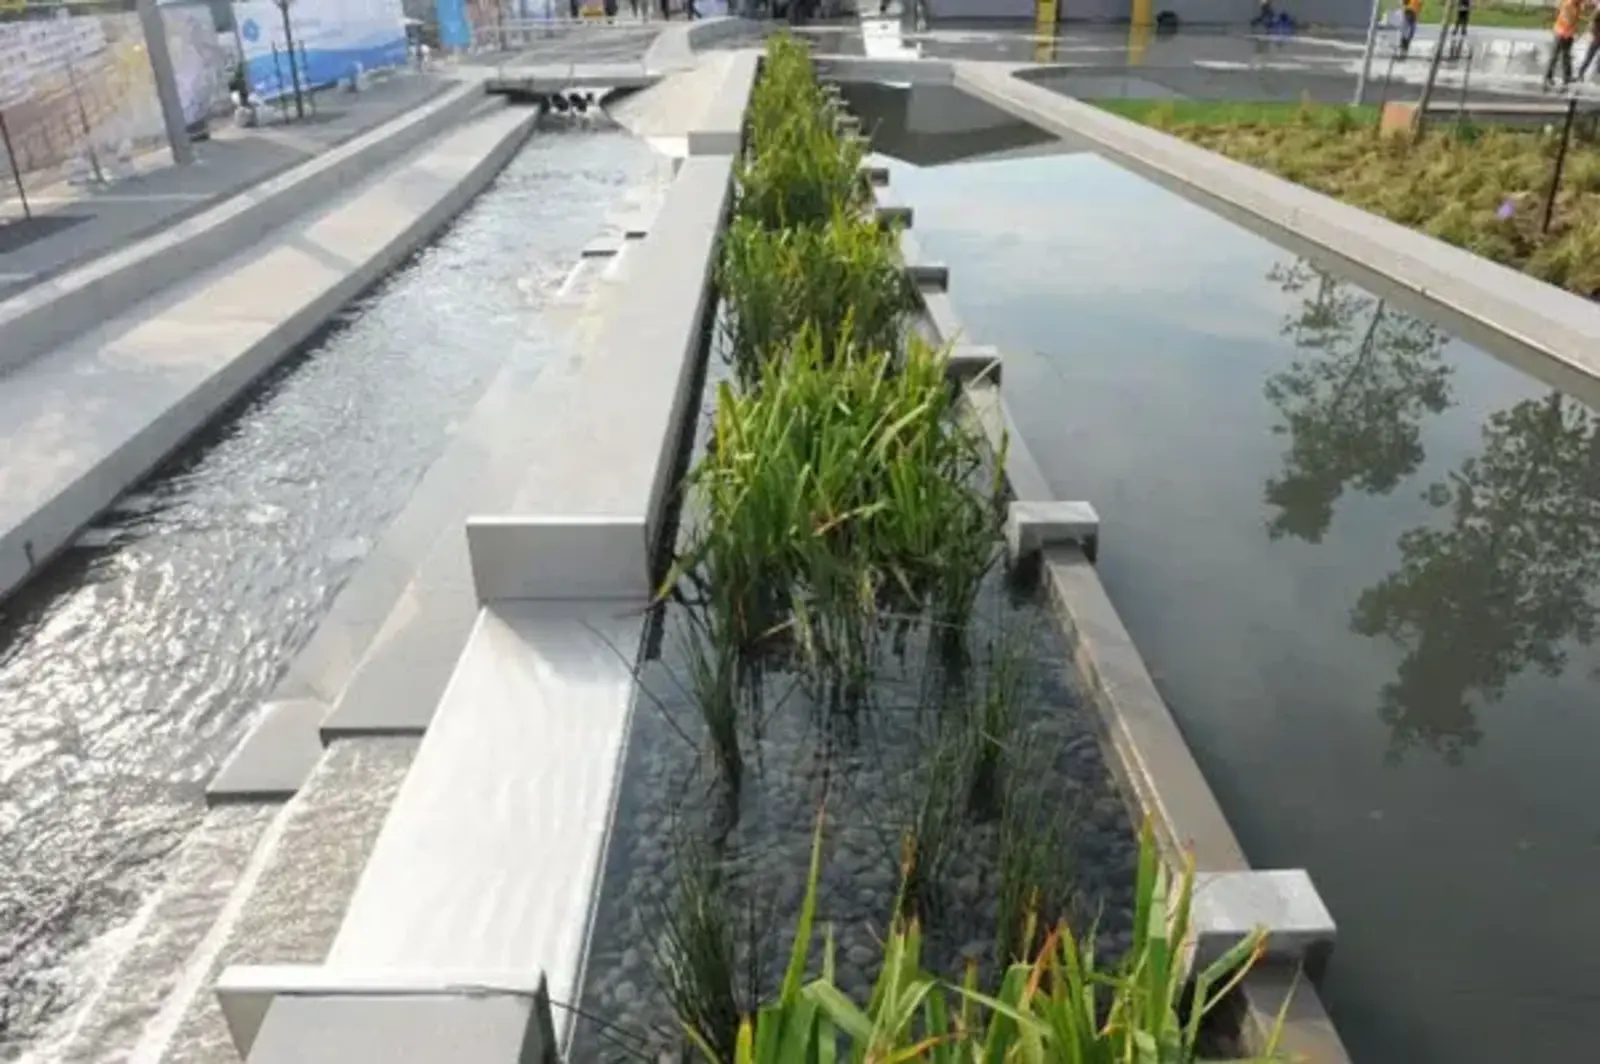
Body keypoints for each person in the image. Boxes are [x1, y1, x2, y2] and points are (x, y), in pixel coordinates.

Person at [1545, 0, 1583, 88]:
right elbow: (1568, 19)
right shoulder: (1569, 4)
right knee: (1556, 55)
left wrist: (1575, 30)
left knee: (1565, 56)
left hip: (1567, 33)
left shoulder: (1577, 5)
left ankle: (1566, 77)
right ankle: (1549, 76)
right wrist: (1572, 31)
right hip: (1562, 33)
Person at [1578, 6, 1600, 79]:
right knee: (1589, 56)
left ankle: (1597, 73)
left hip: (1597, 36)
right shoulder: (1598, 11)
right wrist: (1595, 34)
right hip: (1597, 37)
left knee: (1592, 57)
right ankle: (1581, 72)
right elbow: (1592, 22)